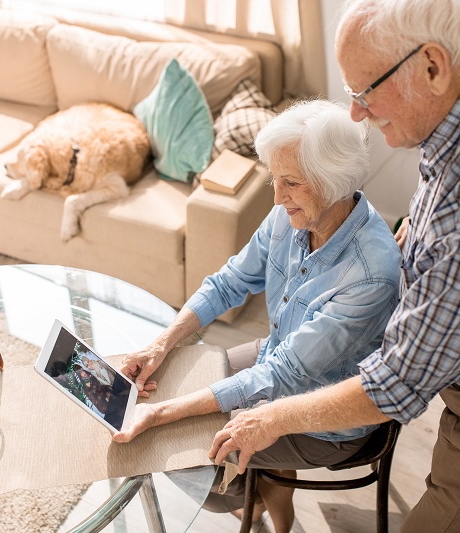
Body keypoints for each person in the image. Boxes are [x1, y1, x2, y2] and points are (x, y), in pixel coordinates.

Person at [209, 1, 460, 531]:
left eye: (364, 90)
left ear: (432, 67)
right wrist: (419, 238)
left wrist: (272, 418)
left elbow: (396, 384)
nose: (355, 112)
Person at [114, 99, 401, 532]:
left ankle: (255, 500)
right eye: (275, 179)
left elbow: (280, 377)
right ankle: (273, 504)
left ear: (334, 181)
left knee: (172, 446)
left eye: (291, 183)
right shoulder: (291, 214)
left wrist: (164, 417)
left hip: (329, 420)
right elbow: (229, 282)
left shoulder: (370, 274)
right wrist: (162, 343)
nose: (277, 196)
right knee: (166, 388)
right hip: (276, 362)